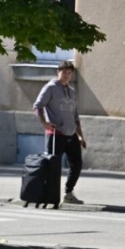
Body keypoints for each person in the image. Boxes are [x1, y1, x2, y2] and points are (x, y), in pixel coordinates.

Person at [33, 60, 87, 205]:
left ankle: (68, 193)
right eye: (64, 72)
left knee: (77, 164)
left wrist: (81, 136)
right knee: (52, 167)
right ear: (58, 72)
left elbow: (75, 116)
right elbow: (38, 106)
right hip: (56, 134)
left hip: (71, 135)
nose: (67, 75)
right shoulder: (50, 88)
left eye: (69, 73)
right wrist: (45, 123)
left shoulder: (72, 91)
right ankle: (49, 196)